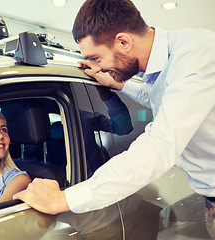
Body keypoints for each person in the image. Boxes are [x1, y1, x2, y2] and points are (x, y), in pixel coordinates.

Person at [13, 0, 215, 237]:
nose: (97, 67)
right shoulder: (163, 68)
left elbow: (160, 146)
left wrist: (64, 199)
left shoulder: (196, 55)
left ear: (123, 41)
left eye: (96, 58)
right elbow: (154, 96)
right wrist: (116, 84)